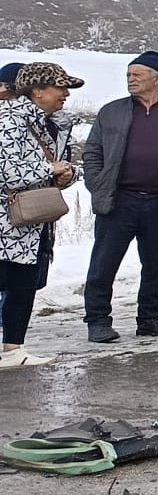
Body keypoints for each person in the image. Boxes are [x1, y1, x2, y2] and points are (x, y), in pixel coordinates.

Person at [80, 51, 158, 343]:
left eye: (137, 74)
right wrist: (98, 184)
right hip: (119, 201)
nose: (130, 79)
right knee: (103, 264)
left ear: (157, 78)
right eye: (128, 75)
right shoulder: (111, 111)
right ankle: (97, 321)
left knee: (155, 265)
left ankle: (149, 319)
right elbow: (92, 152)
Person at [0, 62, 86, 367]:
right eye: (59, 87)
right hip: (6, 223)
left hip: (26, 223)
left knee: (22, 285)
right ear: (37, 90)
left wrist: (67, 174)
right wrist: (52, 169)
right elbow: (9, 173)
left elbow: (57, 164)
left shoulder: (40, 121)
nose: (65, 94)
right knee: (12, 283)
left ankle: (13, 350)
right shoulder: (10, 120)